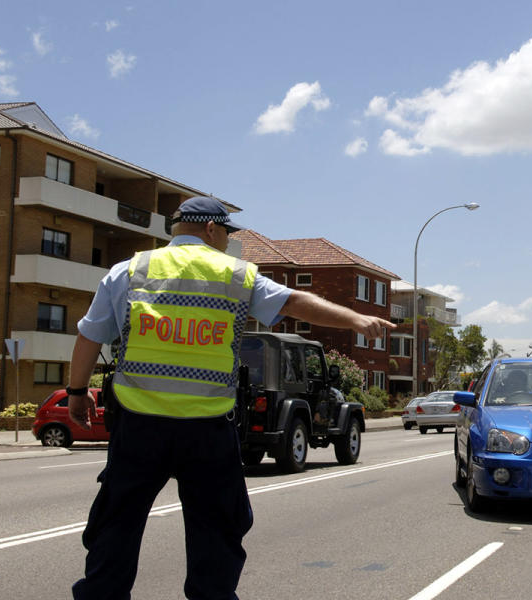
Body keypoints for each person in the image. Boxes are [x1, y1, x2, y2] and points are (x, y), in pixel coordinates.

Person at [66, 196, 394, 599]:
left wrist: (77, 394)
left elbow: (89, 335)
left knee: (115, 525)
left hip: (139, 424)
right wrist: (356, 319)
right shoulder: (236, 275)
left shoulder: (128, 271)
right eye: (226, 233)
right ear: (210, 229)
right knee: (216, 532)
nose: (226, 242)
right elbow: (294, 302)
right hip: (207, 429)